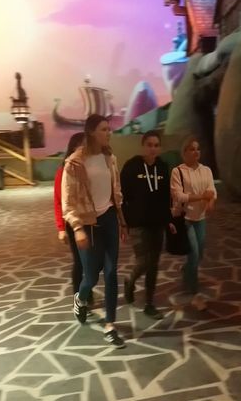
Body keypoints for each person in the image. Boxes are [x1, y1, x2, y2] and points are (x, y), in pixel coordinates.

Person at [62, 114, 127, 347]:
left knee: (111, 272)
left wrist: (122, 221)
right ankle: (80, 298)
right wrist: (77, 228)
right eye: (103, 129)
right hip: (87, 223)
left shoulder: (110, 158)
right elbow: (68, 203)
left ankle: (110, 325)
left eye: (109, 129)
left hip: (109, 219)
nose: (109, 133)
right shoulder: (74, 163)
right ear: (91, 132)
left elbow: (116, 192)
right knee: (90, 276)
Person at [120, 130, 176, 319]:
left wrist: (169, 220)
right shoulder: (132, 166)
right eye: (149, 145)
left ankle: (149, 303)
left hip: (157, 223)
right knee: (144, 261)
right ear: (143, 146)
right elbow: (122, 195)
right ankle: (130, 280)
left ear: (159, 148)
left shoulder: (162, 167)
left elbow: (166, 197)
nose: (153, 148)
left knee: (154, 263)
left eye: (156, 145)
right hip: (138, 224)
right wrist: (124, 221)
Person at [171, 137, 216, 297]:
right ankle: (193, 288)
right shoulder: (178, 171)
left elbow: (212, 190)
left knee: (200, 253)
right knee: (194, 253)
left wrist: (210, 201)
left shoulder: (206, 170)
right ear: (184, 152)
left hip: (200, 217)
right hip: (186, 218)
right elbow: (179, 196)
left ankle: (186, 269)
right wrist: (202, 196)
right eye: (192, 149)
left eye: (198, 149)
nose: (196, 152)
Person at [54, 131, 94, 304]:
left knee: (91, 261)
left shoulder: (90, 168)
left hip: (91, 221)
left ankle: (86, 293)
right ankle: (80, 298)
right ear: (74, 148)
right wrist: (61, 228)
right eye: (83, 146)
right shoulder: (64, 170)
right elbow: (58, 201)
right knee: (80, 262)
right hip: (73, 222)